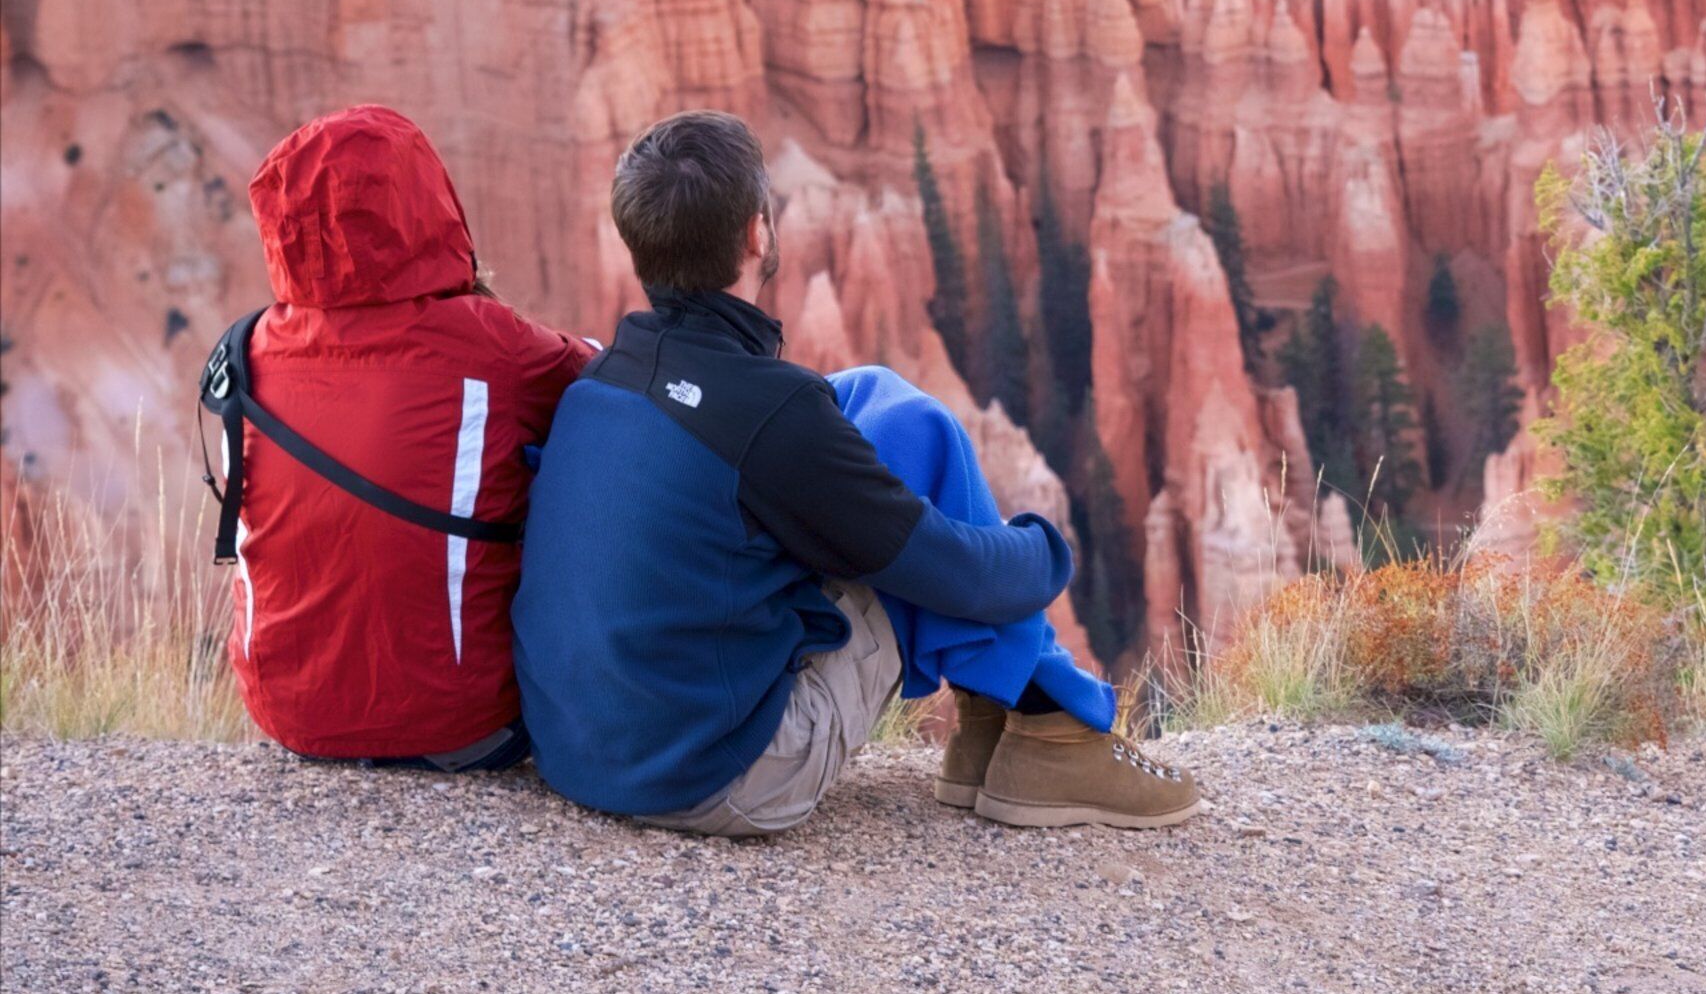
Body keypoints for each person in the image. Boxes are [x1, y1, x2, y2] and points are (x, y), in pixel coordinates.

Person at [513, 111, 1198, 834]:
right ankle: (1049, 732)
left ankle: (1006, 734)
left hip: (577, 752)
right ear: (756, 233)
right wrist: (1046, 548)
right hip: (719, 778)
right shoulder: (771, 415)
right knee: (909, 531)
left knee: (886, 406)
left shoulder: (602, 380)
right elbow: (957, 574)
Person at [217, 106, 596, 770]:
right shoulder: (492, 346)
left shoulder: (245, 354)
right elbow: (612, 382)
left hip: (288, 715)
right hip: (460, 725)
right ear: (426, 206)